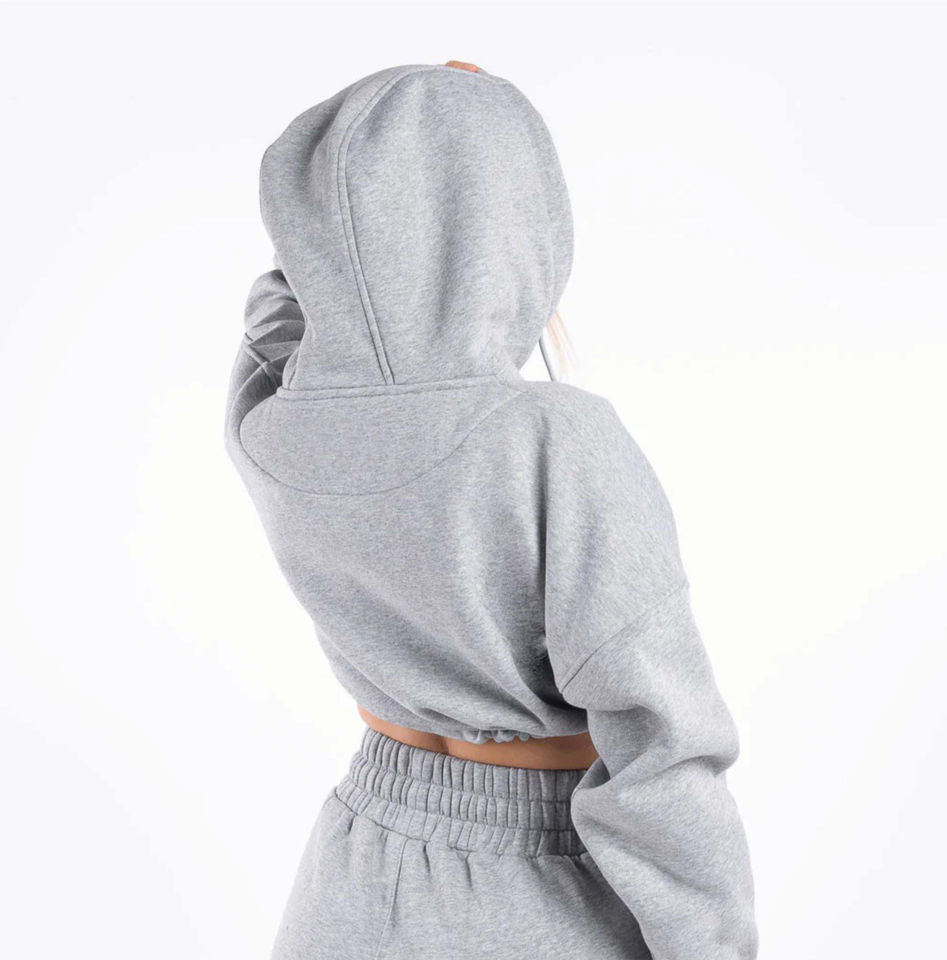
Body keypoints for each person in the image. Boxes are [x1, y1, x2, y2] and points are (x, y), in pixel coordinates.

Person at [224, 60, 758, 960]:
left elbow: (279, 320)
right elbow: (663, 749)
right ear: (516, 222)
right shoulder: (552, 440)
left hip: (350, 871)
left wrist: (347, 194)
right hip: (538, 893)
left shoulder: (275, 426)